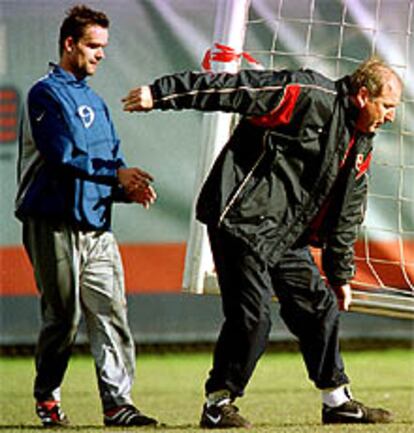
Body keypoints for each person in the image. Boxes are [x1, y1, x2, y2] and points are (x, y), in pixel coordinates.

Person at [122, 57, 402, 427]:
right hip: (240, 221)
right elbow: (237, 89)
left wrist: (339, 274)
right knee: (252, 319)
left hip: (285, 236)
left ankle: (336, 401)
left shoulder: (361, 142)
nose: (391, 117)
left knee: (319, 307)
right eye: (387, 106)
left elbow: (348, 211)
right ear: (363, 95)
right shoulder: (306, 93)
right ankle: (217, 404)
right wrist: (161, 94)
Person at [15, 4, 158, 428]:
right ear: (69, 44)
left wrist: (125, 188)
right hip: (51, 223)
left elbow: (109, 159)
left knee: (111, 313)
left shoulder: (94, 100)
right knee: (63, 318)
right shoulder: (44, 93)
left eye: (104, 47)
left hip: (96, 227)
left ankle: (118, 405)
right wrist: (115, 173)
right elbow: (61, 157)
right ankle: (47, 395)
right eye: (93, 46)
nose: (101, 54)